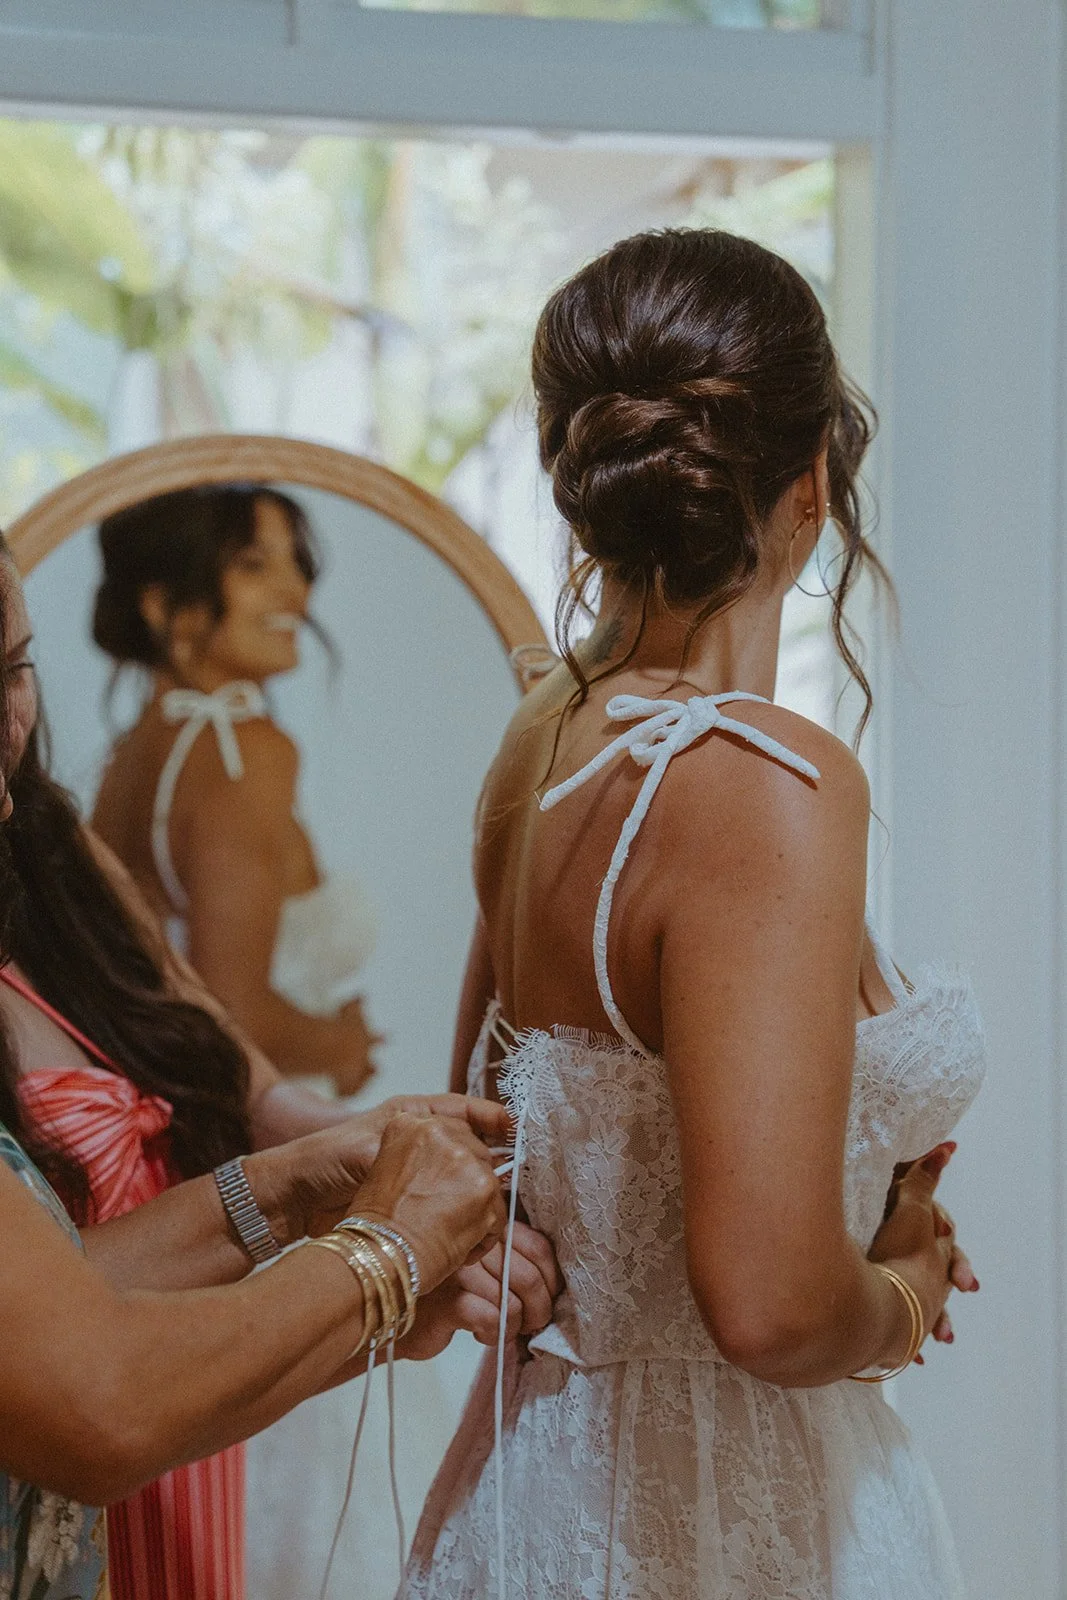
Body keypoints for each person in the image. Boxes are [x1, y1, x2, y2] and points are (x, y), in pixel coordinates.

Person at [399, 228, 987, 1599]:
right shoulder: (763, 783)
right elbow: (774, 1307)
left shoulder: (542, 735)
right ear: (812, 482)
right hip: (719, 1515)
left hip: (538, 1472)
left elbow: (483, 1140)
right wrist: (899, 1292)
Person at [0, 542, 560, 1600]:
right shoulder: (231, 760)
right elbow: (94, 1390)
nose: (5, 722)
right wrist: (384, 1253)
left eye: (16, 667)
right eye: (251, 560)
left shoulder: (57, 854)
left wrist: (303, 1182)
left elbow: (58, 1303)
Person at [91, 484, 379, 1098]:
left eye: (294, 562)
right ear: (162, 602)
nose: (296, 590)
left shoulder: (132, 754)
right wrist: (346, 1046)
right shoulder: (243, 751)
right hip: (273, 1125)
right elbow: (234, 1015)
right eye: (254, 564)